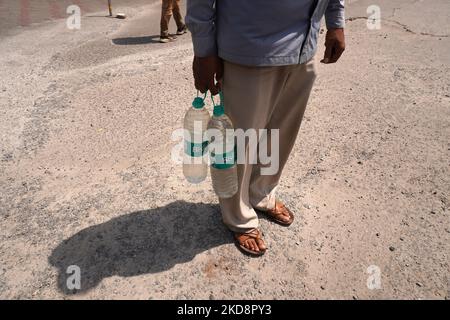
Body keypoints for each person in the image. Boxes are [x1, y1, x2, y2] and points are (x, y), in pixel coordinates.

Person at [186, 0, 346, 256]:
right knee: (240, 142)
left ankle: (261, 192)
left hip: (304, 45)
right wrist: (204, 50)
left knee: (279, 135)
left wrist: (336, 21)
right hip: (249, 48)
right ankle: (237, 216)